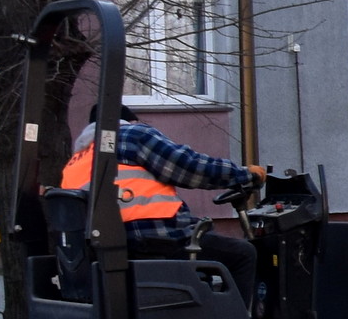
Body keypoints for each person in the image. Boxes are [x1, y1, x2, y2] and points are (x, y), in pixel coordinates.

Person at [62, 117, 269, 307]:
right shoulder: (131, 135)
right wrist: (245, 175)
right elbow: (190, 167)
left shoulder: (76, 160)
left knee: (209, 236)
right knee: (244, 254)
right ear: (130, 120)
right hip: (155, 242)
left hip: (109, 250)